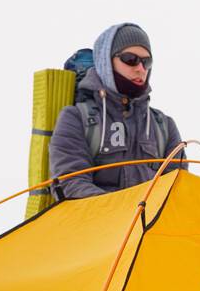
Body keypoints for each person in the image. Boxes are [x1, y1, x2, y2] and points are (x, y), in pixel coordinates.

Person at [50, 22, 185, 199]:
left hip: (152, 225)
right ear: (106, 61)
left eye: (146, 61)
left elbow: (178, 189)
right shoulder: (75, 118)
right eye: (130, 59)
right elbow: (70, 184)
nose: (140, 68)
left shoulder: (164, 126)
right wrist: (124, 210)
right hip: (95, 224)